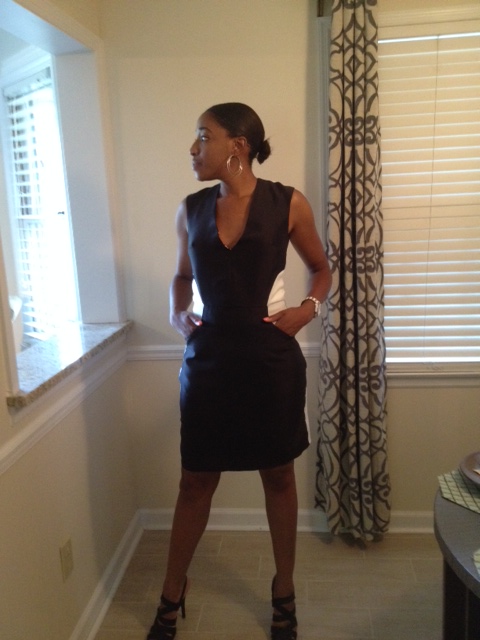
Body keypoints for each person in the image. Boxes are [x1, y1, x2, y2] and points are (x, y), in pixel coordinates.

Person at [147, 103, 332, 640]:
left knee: (278, 476)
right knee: (194, 482)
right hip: (207, 364)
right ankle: (172, 592)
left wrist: (307, 309)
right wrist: (176, 310)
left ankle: (284, 591)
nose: (193, 148)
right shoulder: (190, 209)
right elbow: (181, 277)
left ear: (238, 146)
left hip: (270, 363)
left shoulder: (287, 202)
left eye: (203, 136)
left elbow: (321, 268)